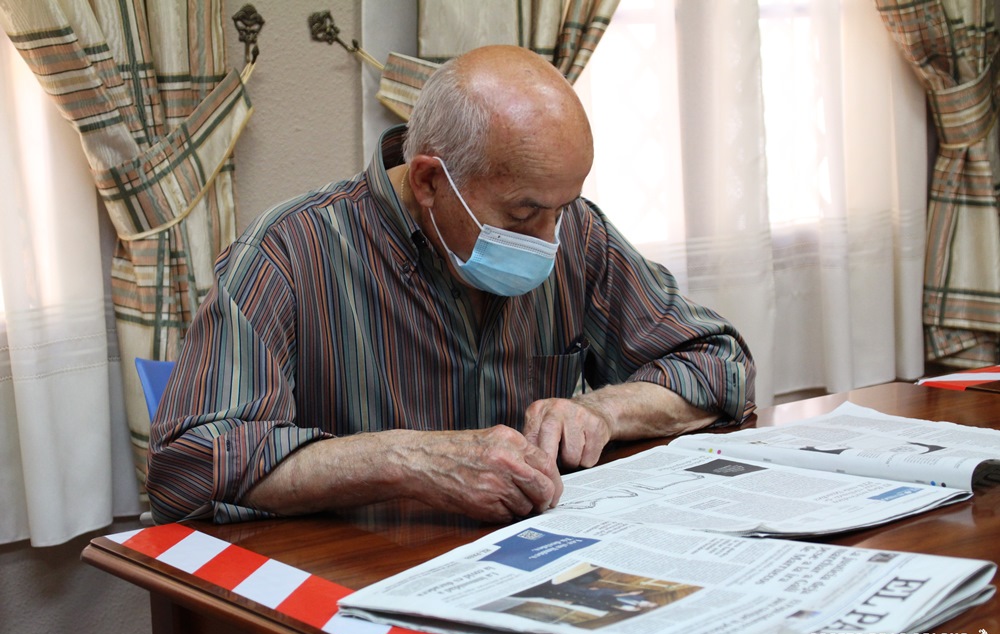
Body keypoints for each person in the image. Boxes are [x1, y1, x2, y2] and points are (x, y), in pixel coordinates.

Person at [147, 45, 756, 525]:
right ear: (430, 182)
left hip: (533, 565)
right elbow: (187, 465)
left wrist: (602, 409)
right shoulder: (287, 254)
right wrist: (406, 460)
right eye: (523, 215)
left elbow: (719, 364)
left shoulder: (577, 234)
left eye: (562, 208)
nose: (550, 240)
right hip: (356, 580)